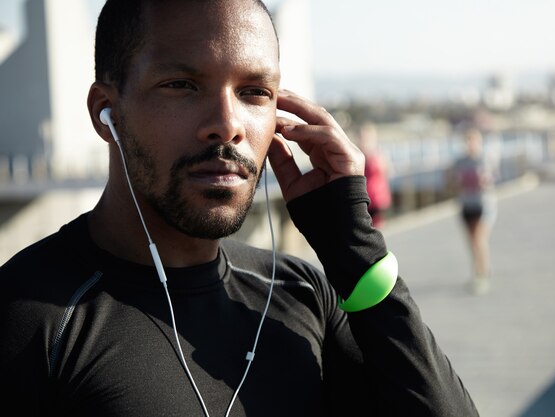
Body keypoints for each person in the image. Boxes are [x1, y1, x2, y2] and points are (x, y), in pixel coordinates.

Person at [0, 1, 478, 416]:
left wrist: (355, 249)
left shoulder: (302, 294)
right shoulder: (29, 316)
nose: (227, 125)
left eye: (254, 93)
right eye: (182, 85)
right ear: (107, 111)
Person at [449, 128, 498, 295]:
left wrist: (484, 180)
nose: (471, 144)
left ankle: (482, 274)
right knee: (472, 243)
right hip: (466, 205)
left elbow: (492, 179)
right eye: (468, 141)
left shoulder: (485, 159)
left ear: (479, 142)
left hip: (483, 205)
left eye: (474, 141)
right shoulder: (459, 162)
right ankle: (479, 270)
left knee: (479, 239)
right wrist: (456, 182)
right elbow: (450, 181)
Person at [356, 122, 393, 229]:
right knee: (365, 230)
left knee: (377, 230)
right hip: (364, 199)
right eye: (362, 136)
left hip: (379, 199)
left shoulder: (379, 154)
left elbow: (388, 172)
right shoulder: (357, 154)